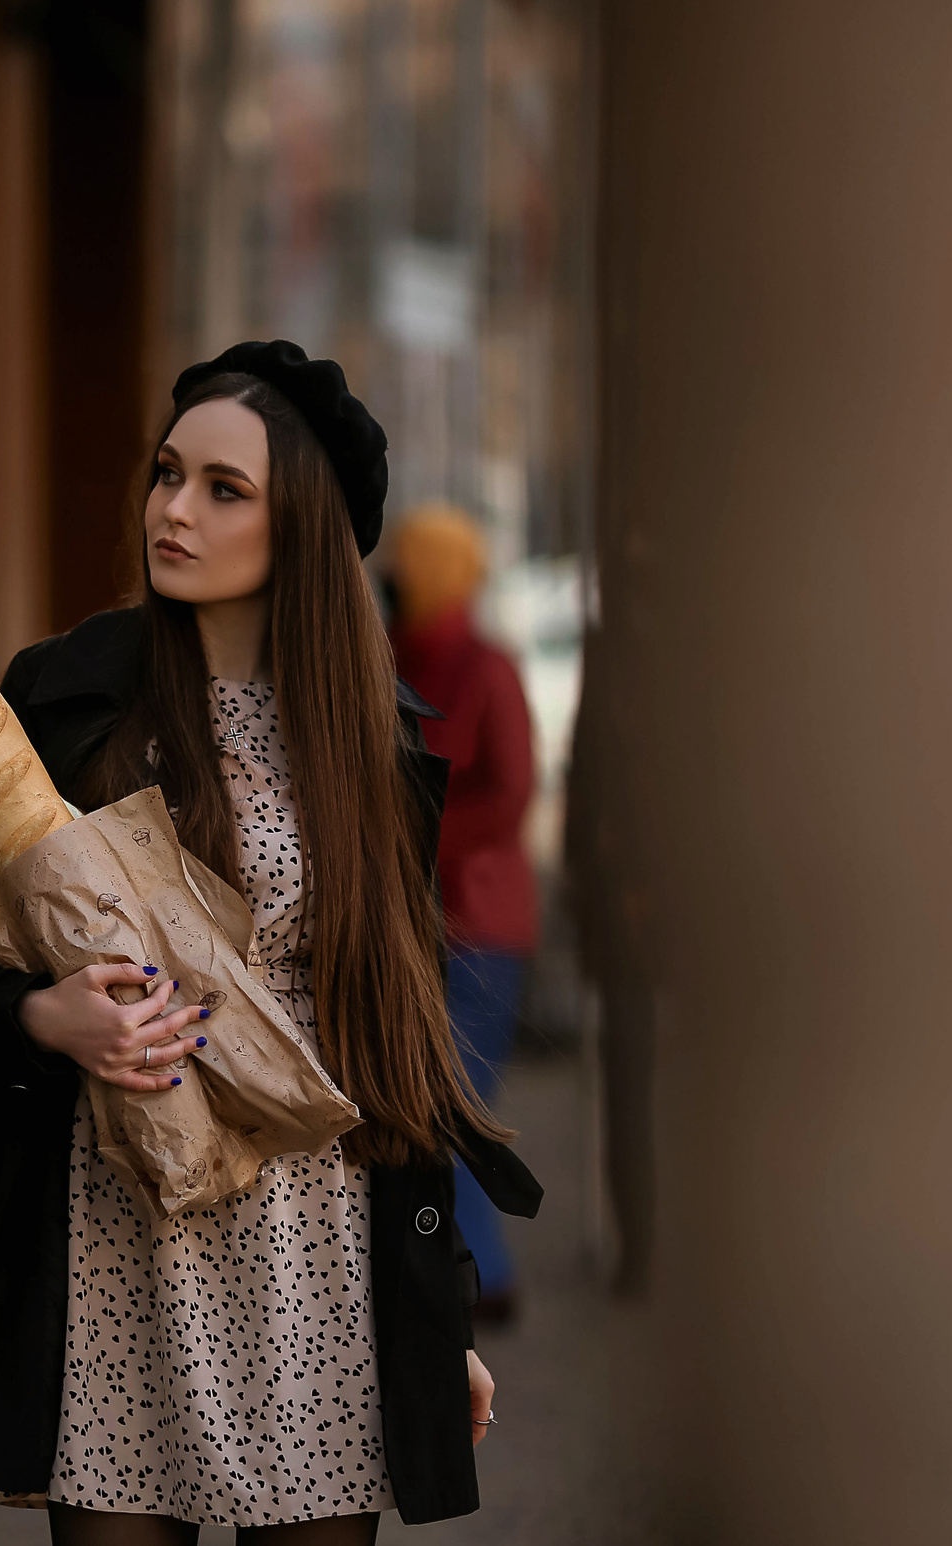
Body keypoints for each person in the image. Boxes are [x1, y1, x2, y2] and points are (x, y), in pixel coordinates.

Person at [0, 341, 541, 1543]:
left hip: (318, 1237)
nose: (173, 511)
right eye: (168, 473)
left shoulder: (369, 739)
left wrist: (435, 1320)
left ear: (303, 528)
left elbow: (393, 1040)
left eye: (224, 489)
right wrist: (44, 1017)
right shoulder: (68, 695)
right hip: (116, 1220)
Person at [385, 504, 538, 1325]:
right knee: (422, 1102)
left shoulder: (486, 667)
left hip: (476, 921)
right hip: (409, 918)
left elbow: (510, 794)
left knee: (453, 1101)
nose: (396, 573)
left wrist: (416, 839)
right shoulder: (391, 655)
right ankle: (465, 1272)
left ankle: (479, 1275)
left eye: (411, 559)